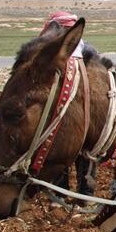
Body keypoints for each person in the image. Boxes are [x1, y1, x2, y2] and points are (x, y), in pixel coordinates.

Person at [40, 11, 98, 199]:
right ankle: (67, 194)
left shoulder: (86, 52)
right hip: (71, 111)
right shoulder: (56, 52)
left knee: (80, 153)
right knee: (64, 151)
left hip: (79, 110)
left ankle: (82, 194)